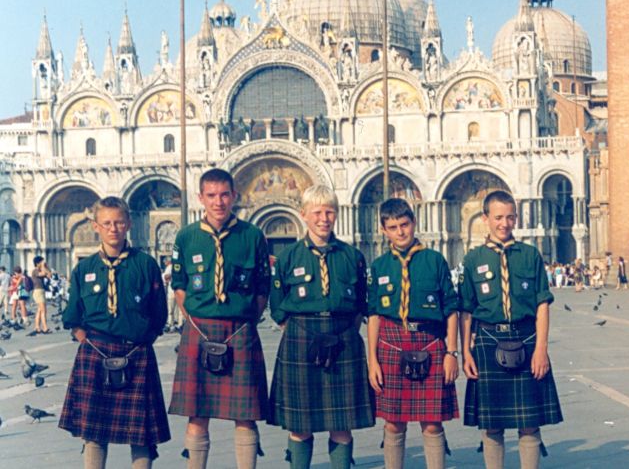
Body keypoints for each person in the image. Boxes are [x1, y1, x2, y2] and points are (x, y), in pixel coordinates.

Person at [169, 168, 271, 469]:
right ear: (201, 198)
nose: (218, 202)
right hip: (199, 329)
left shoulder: (252, 236)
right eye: (211, 195)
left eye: (224, 194)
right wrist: (199, 321)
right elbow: (179, 287)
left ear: (234, 196)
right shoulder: (186, 236)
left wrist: (242, 318)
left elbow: (262, 289)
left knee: (246, 414)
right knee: (197, 414)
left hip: (239, 328)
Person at [59, 196, 170, 469]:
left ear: (129, 224)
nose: (113, 228)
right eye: (107, 223)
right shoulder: (83, 268)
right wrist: (86, 340)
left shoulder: (146, 264)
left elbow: (159, 313)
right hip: (95, 353)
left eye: (119, 222)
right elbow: (73, 314)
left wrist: (143, 339)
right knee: (93, 433)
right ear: (96, 226)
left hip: (136, 352)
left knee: (141, 434)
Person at [268, 184, 373, 469]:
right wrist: (299, 327)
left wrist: (341, 327)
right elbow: (277, 304)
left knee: (342, 423)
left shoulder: (353, 257)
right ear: (303, 214)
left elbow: (361, 304)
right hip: (301, 339)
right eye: (317, 212)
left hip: (343, 338)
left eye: (329, 211)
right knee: (300, 424)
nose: (323, 218)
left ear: (336, 214)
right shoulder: (288, 257)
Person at [460, 190, 562, 469]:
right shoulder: (472, 259)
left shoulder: (530, 255)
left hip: (526, 338)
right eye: (498, 217)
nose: (505, 223)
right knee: (491, 425)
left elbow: (543, 304)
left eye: (510, 217)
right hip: (488, 341)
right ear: (485, 218)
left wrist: (541, 350)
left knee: (529, 422)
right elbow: (466, 310)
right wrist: (465, 352)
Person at [366, 198, 459, 469]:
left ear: (413, 223)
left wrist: (452, 352)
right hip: (392, 344)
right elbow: (374, 315)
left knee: (432, 423)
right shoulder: (380, 266)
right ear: (384, 230)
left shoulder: (435, 260)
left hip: (430, 342)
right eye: (393, 227)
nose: (400, 232)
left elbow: (451, 309)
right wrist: (372, 360)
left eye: (404, 224)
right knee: (393, 423)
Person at [31, 255, 51, 334]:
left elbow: (49, 275)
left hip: (41, 291)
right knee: (43, 310)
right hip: (38, 291)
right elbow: (42, 274)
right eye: (41, 262)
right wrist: (43, 267)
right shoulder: (35, 271)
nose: (43, 263)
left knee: (39, 310)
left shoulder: (41, 269)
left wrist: (46, 267)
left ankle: (37, 327)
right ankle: (45, 328)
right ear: (37, 263)